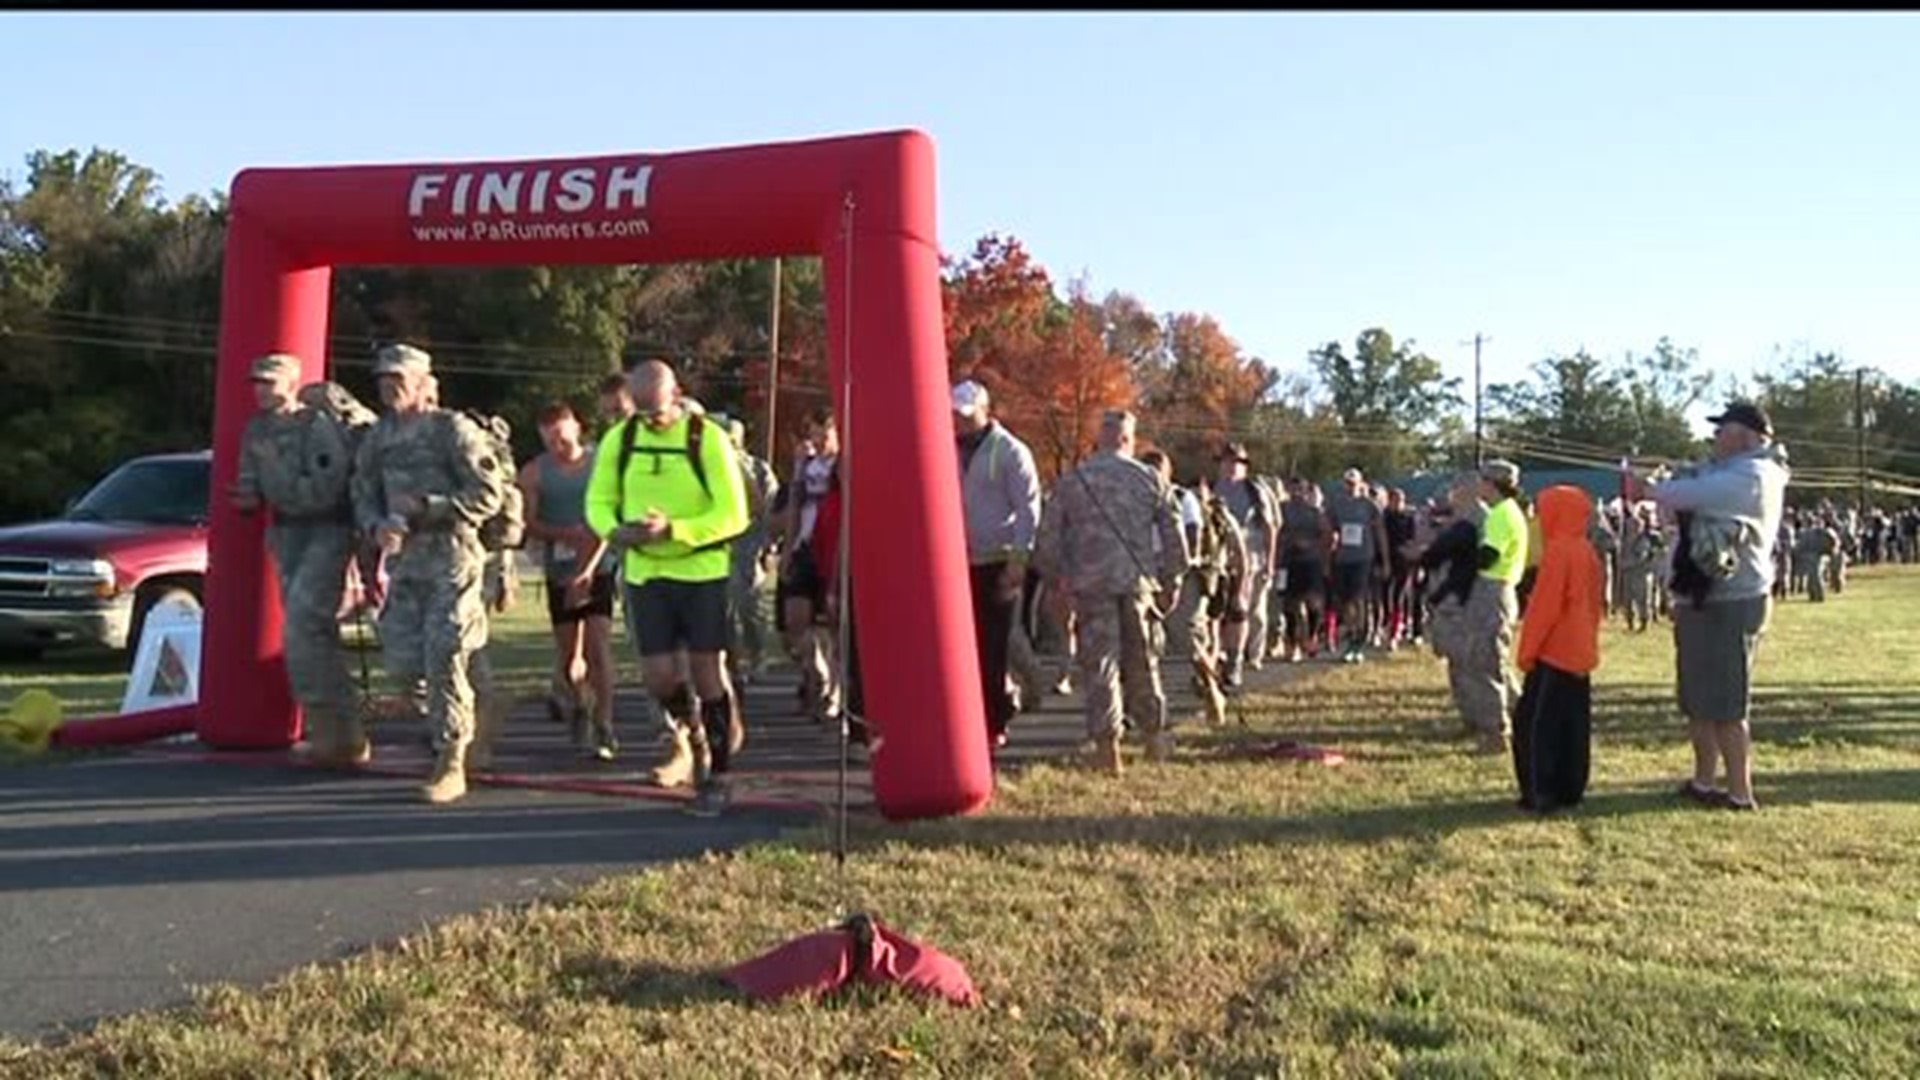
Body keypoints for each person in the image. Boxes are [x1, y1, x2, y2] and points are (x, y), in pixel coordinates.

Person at [585, 359, 750, 816]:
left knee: (706, 671)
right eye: (641, 412)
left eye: (657, 411)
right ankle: (692, 728)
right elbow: (598, 500)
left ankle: (719, 774)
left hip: (701, 571)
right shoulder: (621, 439)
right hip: (645, 573)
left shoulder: (706, 438)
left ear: (676, 396)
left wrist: (675, 529)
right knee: (658, 677)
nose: (650, 420)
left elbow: (734, 513)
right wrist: (615, 529)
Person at [350, 344, 509, 804]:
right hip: (406, 564)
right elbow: (361, 492)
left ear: (423, 383)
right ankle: (482, 694)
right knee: (404, 666)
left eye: (398, 378)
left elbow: (488, 494)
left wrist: (429, 507)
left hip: (453, 558)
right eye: (382, 378)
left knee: (443, 655)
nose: (388, 385)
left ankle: (451, 757)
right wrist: (375, 526)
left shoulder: (451, 431)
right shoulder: (378, 437)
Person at [1631, 402, 1790, 813]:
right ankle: (1704, 782)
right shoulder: (1729, 472)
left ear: (1747, 438)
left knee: (1726, 704)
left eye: (1723, 431)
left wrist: (1649, 487)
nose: (1715, 438)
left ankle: (1739, 793)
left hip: (1730, 600)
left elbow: (1687, 494)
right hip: (1703, 596)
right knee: (1698, 699)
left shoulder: (1755, 475)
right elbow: (1686, 492)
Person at [1032, 409, 1189, 775]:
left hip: (1090, 586)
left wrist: (1057, 581)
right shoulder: (1149, 479)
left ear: (1100, 438)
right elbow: (1173, 536)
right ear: (1127, 439)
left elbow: (1048, 539)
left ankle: (1107, 748)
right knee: (1143, 662)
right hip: (1137, 584)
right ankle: (1154, 737)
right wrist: (1172, 580)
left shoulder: (1074, 481)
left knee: (1101, 666)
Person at [228, 353, 362, 767]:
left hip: (325, 530)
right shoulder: (256, 429)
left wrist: (277, 476)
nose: (261, 390)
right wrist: (248, 497)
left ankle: (334, 732)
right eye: (257, 382)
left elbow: (324, 490)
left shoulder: (316, 426)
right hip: (285, 534)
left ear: (291, 382)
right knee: (314, 633)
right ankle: (340, 736)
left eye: (270, 382)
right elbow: (250, 483)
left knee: (302, 628)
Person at [517, 401, 619, 760]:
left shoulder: (599, 464)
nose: (557, 446)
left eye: (561, 437)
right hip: (559, 568)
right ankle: (579, 703)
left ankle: (605, 724)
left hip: (599, 565)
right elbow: (527, 524)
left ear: (576, 427)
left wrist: (588, 556)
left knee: (598, 645)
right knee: (568, 656)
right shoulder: (534, 472)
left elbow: (610, 517)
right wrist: (564, 533)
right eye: (549, 441)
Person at [951, 379, 1043, 749]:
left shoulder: (1010, 451)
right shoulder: (947, 448)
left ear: (985, 412)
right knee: (965, 646)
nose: (958, 422)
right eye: (955, 415)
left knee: (994, 645)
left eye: (965, 416)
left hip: (998, 560)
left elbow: (1028, 508)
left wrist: (1019, 560)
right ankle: (979, 711)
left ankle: (993, 723)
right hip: (958, 561)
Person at [1511, 485, 1604, 814]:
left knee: (1536, 726)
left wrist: (1527, 652)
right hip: (1581, 649)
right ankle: (1570, 789)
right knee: (1574, 725)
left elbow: (1544, 609)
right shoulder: (1587, 550)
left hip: (1555, 651)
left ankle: (1540, 792)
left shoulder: (1558, 551)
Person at [1461, 459, 1529, 755]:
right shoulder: (1510, 512)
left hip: (1493, 590)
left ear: (1492, 484)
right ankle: (1526, 714)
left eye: (1482, 481)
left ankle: (1496, 732)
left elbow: (1488, 557)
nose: (1479, 486)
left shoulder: (1500, 515)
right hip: (1499, 591)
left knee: (1486, 664)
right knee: (1495, 661)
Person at [778, 411, 842, 726]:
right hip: (805, 546)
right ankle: (817, 671)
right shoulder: (808, 466)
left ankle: (836, 688)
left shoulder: (842, 466)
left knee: (833, 621)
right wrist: (788, 548)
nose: (818, 442)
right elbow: (794, 507)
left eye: (824, 436)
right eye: (815, 435)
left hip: (831, 548)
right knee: (795, 621)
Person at [713, 415, 780, 689]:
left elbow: (770, 509)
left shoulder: (758, 470)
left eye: (733, 439)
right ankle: (731, 662)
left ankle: (757, 654)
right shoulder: (711, 468)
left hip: (749, 546)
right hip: (719, 546)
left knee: (748, 604)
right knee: (722, 609)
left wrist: (769, 546)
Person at [1212, 443, 1279, 685]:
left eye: (1237, 462)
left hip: (1250, 561)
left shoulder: (1255, 492)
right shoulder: (1211, 490)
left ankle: (1242, 658)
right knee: (1217, 614)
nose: (1231, 467)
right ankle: (1218, 659)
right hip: (1218, 564)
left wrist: (1270, 562)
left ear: (1244, 466)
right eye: (1227, 461)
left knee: (1246, 611)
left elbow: (1271, 528)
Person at [1325, 467, 1391, 664]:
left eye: (1354, 483)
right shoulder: (1336, 504)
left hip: (1363, 558)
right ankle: (1351, 635)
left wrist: (1385, 560)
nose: (1350, 487)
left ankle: (1359, 641)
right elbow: (1330, 530)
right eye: (1347, 483)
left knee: (1358, 599)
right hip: (1342, 558)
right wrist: (1328, 557)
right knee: (1345, 602)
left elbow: (1380, 532)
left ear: (1360, 483)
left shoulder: (1369, 505)